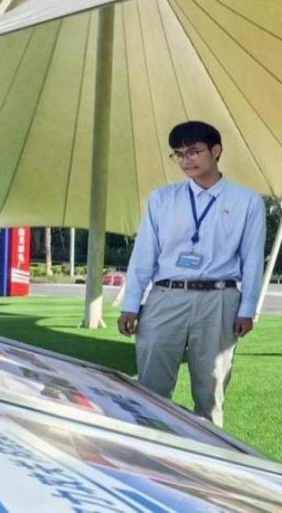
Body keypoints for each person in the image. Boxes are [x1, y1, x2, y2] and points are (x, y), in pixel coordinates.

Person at [117, 121, 266, 427]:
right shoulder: (162, 199)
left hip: (219, 298)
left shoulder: (247, 201)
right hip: (166, 296)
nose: (186, 160)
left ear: (216, 150)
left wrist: (248, 308)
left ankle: (207, 451)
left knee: (210, 390)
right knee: (151, 386)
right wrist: (131, 303)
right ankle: (149, 445)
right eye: (179, 154)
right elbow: (144, 254)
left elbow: (252, 258)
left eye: (194, 152)